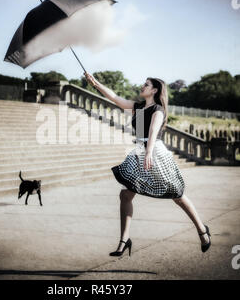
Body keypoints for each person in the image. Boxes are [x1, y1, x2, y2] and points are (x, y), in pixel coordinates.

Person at [84, 72, 211, 257]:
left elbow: (153, 131)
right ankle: (124, 240)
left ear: (154, 90)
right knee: (126, 195)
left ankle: (202, 230)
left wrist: (148, 152)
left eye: (146, 84)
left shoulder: (158, 109)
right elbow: (114, 97)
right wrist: (95, 83)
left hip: (154, 152)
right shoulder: (138, 107)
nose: (142, 86)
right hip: (140, 151)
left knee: (177, 195)